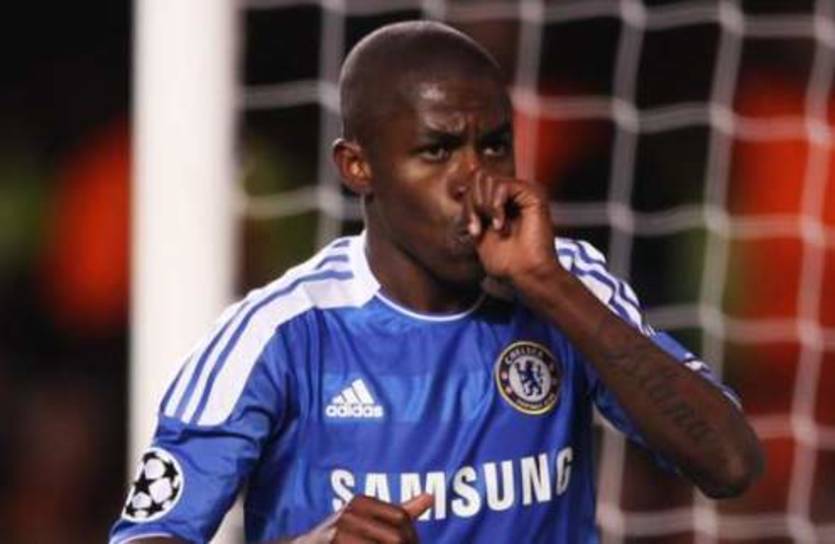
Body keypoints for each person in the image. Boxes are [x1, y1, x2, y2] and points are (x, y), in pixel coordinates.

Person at [110, 21, 763, 544]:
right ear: (358, 166)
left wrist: (547, 285)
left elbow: (730, 465)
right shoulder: (279, 334)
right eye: (437, 151)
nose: (475, 181)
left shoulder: (569, 286)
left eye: (495, 146)